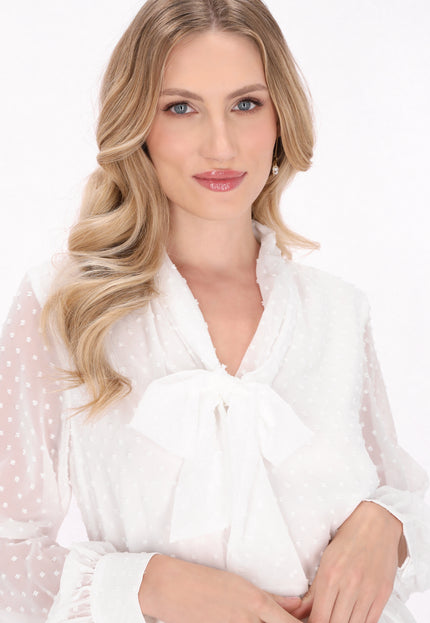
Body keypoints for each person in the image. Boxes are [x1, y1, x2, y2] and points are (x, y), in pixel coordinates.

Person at [0, 0, 429, 621]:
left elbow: (408, 498)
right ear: (138, 125)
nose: (221, 145)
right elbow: (8, 555)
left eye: (246, 104)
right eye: (181, 108)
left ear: (280, 118)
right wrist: (148, 585)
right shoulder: (65, 305)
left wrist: (388, 526)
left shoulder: (337, 312)